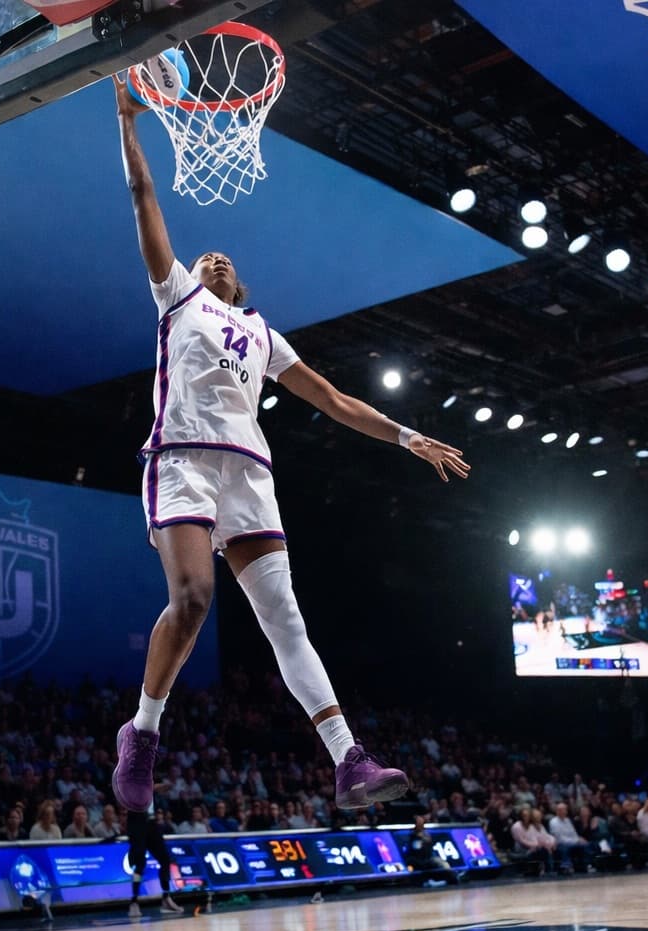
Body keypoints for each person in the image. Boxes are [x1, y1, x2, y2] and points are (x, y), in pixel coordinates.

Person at [107, 74, 470, 819]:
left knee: (286, 620)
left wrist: (405, 435)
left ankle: (349, 762)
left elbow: (333, 400)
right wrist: (129, 124)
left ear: (239, 283)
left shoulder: (265, 334)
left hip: (250, 475)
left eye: (224, 260)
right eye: (204, 256)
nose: (213, 259)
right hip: (183, 457)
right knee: (194, 597)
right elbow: (145, 198)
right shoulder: (175, 295)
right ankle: (142, 734)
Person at [125, 809, 183, 916]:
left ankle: (166, 898)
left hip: (151, 822)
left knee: (165, 860)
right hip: (136, 823)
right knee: (140, 863)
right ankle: (134, 902)